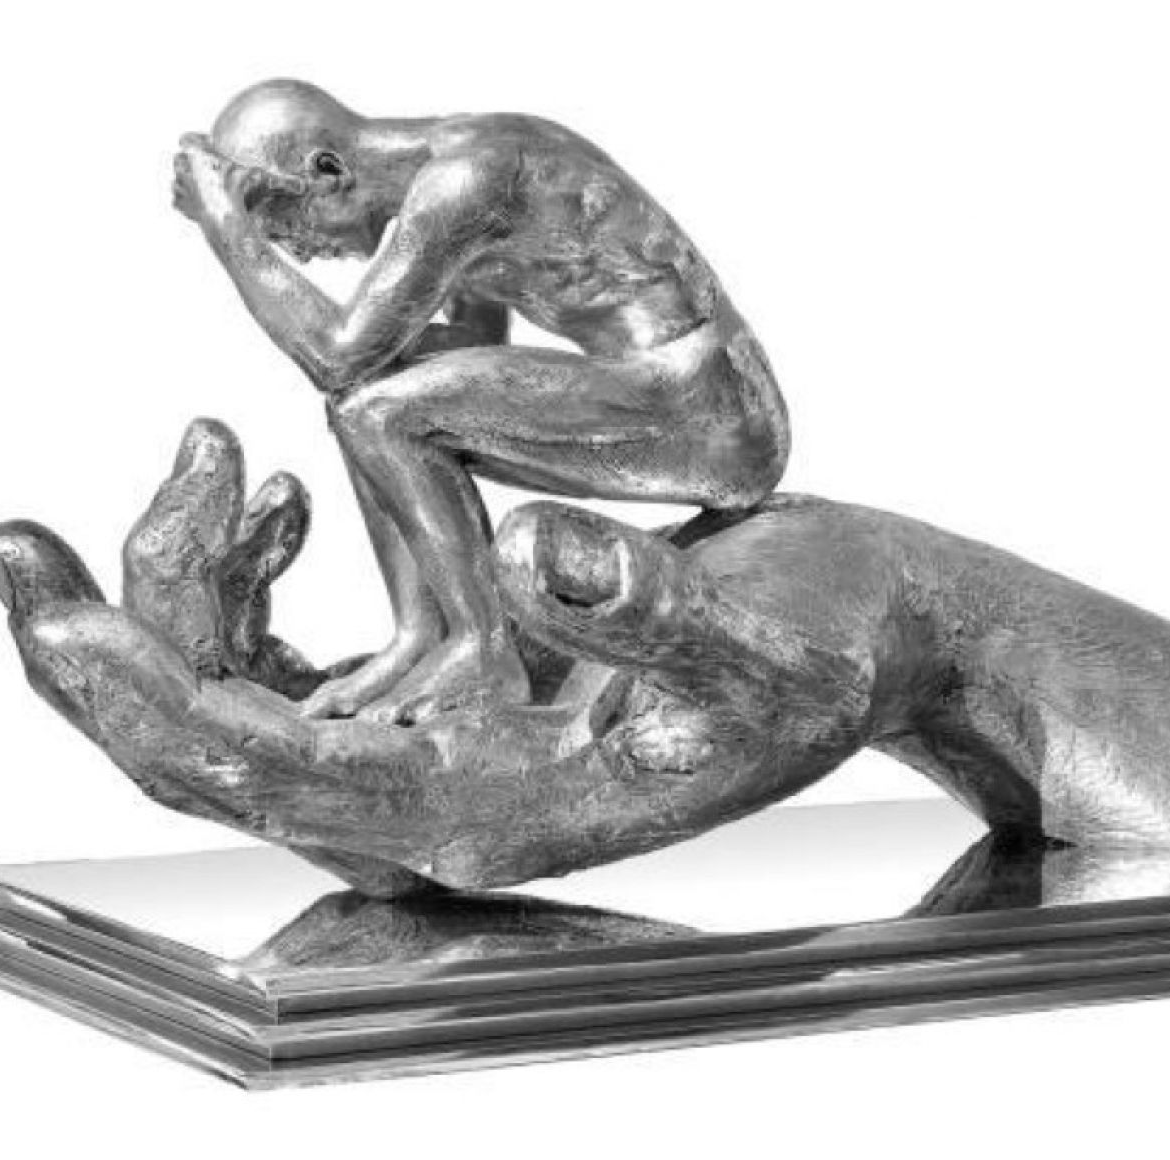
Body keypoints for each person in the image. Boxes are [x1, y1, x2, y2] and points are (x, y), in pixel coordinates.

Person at [172, 79, 789, 723]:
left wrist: (226, 228)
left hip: (710, 412)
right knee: (369, 399)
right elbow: (473, 344)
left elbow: (335, 355)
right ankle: (423, 637)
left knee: (376, 411)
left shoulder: (462, 183)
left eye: (284, 226)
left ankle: (483, 649)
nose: (300, 252)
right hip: (674, 393)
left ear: (327, 172)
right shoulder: (449, 171)